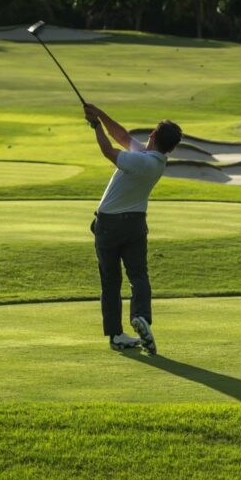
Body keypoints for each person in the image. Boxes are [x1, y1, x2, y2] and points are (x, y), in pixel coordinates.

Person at [84, 103, 182, 354]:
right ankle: (141, 317)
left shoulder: (141, 161)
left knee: (111, 281)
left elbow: (108, 150)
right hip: (136, 225)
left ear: (152, 135)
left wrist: (95, 125)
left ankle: (116, 335)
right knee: (138, 275)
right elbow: (123, 136)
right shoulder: (155, 160)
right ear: (171, 147)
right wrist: (100, 114)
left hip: (109, 225)